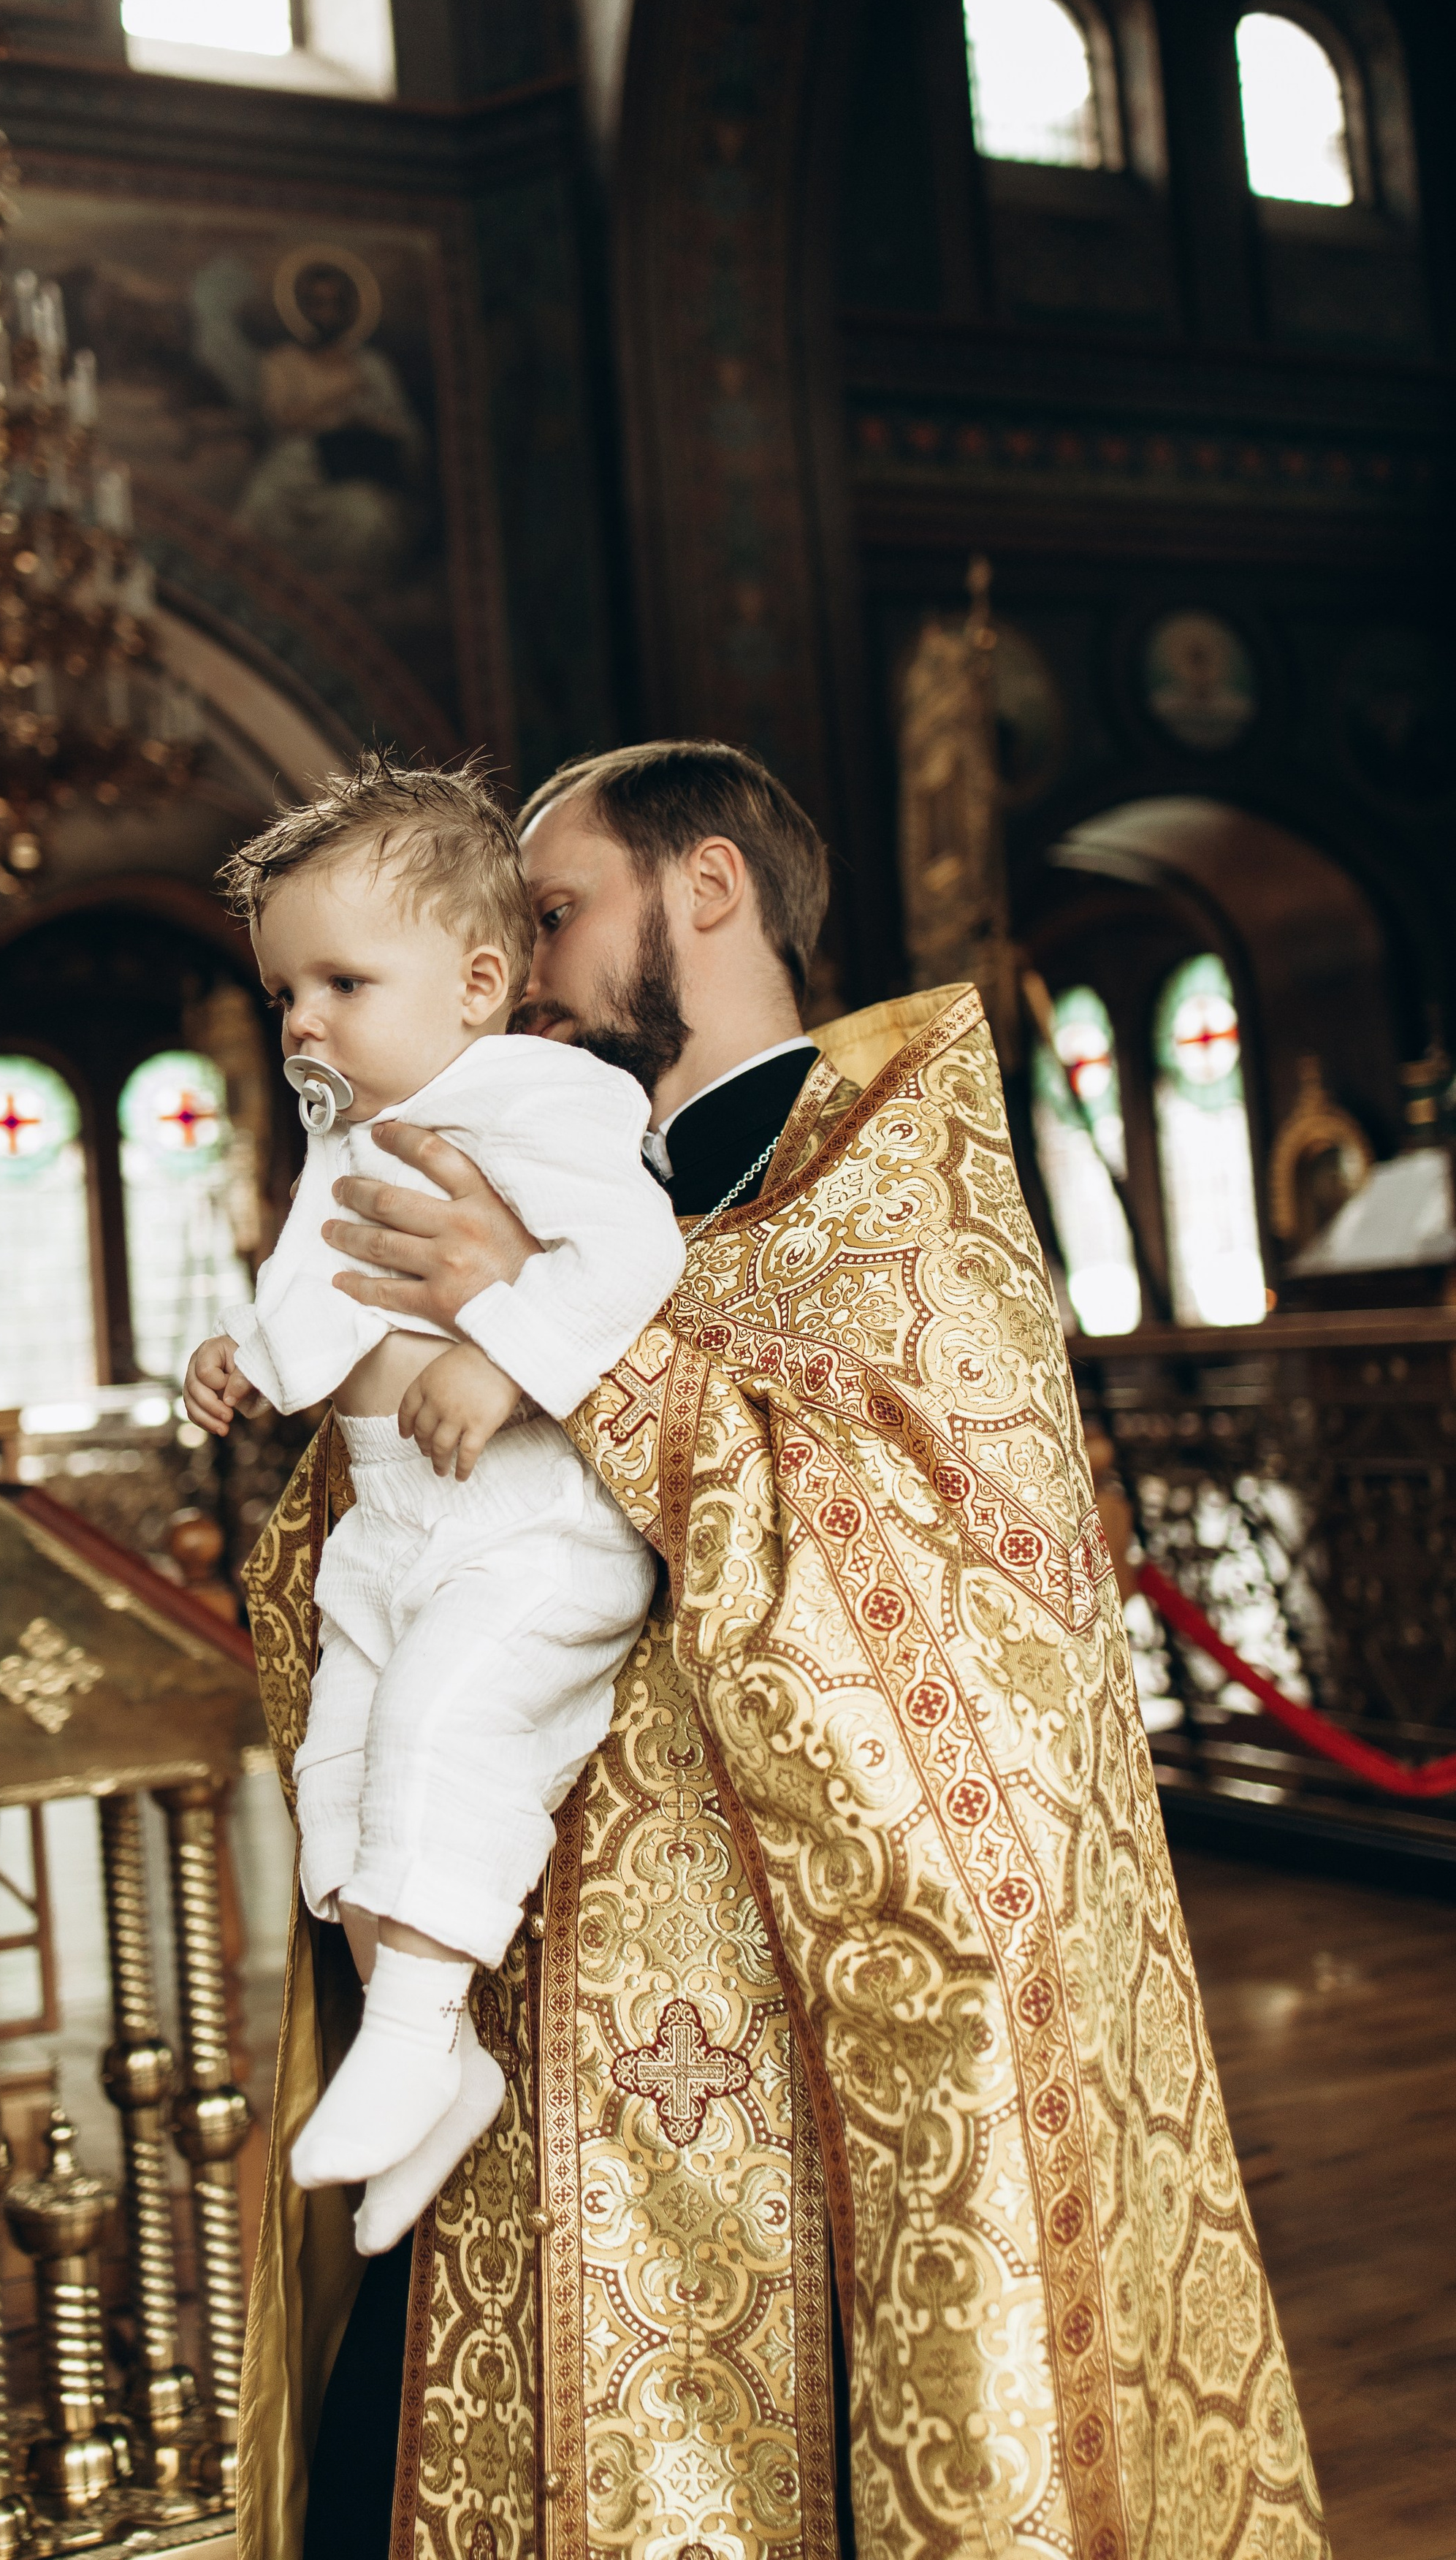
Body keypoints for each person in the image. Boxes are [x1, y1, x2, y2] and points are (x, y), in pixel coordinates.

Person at [237, 741, 1325, 2560]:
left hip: (800, 1989)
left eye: (560, 909)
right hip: (551, 1935)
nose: (524, 945)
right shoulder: (554, 1148)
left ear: (709, 890)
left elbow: (933, 1536)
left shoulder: (895, 1164)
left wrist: (534, 1316)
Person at [183, 757, 684, 2257]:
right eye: (285, 993)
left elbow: (629, 1258)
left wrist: (506, 1355)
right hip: (386, 1530)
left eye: (340, 980)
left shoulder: (542, 1094)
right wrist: (248, 1365)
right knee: (334, 1777)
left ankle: (409, 2026)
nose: (303, 1021)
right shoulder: (348, 1140)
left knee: (435, 1730)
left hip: (522, 1519)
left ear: (477, 980)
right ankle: (443, 2069)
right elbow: (311, 1292)